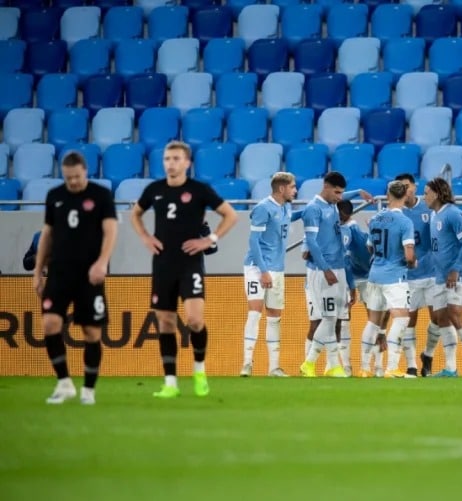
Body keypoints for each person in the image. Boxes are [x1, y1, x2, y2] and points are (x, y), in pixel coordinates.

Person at [130, 141, 238, 398]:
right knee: (165, 322)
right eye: (167, 158)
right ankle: (170, 383)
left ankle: (199, 371)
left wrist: (209, 240)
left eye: (176, 158)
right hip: (163, 264)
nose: (171, 163)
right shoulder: (154, 189)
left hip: (190, 263)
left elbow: (230, 215)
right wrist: (145, 236)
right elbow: (134, 214)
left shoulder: (199, 190)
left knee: (194, 320)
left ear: (187, 163)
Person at [33, 151, 117, 405]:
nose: (73, 183)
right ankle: (64, 383)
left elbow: (111, 231)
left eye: (77, 177)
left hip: (89, 275)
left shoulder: (101, 196)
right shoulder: (55, 196)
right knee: (49, 324)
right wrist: (38, 271)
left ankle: (88, 390)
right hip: (59, 273)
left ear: (86, 171)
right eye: (69, 178)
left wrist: (102, 263)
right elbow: (47, 234)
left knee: (91, 332)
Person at [240, 172, 300, 378]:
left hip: (278, 268)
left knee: (274, 317)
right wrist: (263, 271)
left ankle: (274, 367)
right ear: (282, 189)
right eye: (293, 187)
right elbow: (253, 242)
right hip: (257, 268)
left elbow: (290, 218)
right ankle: (247, 363)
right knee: (255, 312)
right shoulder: (263, 208)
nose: (295, 190)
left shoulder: (286, 207)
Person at [424, 178, 462, 377]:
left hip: (455, 274)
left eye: (426, 193)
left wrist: (456, 268)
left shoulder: (453, 213)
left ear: (437, 193)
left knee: (455, 314)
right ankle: (450, 368)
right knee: (442, 319)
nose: (424, 197)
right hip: (439, 275)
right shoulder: (434, 215)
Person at [299, 172, 355, 378]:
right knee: (329, 318)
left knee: (334, 318)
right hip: (323, 271)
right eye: (337, 192)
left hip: (338, 267)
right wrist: (325, 269)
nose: (340, 197)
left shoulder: (331, 204)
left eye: (342, 193)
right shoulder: (314, 209)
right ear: (326, 187)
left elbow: (344, 195)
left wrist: (360, 192)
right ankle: (309, 363)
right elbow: (312, 242)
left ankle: (333, 365)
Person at [361, 180, 417, 377]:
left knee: (373, 322)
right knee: (401, 319)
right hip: (394, 277)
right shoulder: (405, 222)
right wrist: (412, 263)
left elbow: (369, 247)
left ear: (388, 194)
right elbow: (409, 256)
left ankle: (364, 368)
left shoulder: (376, 218)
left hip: (374, 275)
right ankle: (392, 367)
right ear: (405, 196)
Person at [398, 173, 440, 377]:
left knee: (438, 319)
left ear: (415, 187)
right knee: (409, 322)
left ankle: (428, 356)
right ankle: (412, 365)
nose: (406, 190)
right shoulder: (396, 213)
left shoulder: (428, 209)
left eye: (408, 186)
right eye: (401, 187)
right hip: (409, 277)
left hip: (431, 274)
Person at [337, 199, 374, 376]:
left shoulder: (352, 232)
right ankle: (374, 367)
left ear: (343, 214)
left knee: (345, 319)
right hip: (364, 277)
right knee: (374, 319)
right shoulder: (358, 232)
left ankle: (348, 367)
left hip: (359, 278)